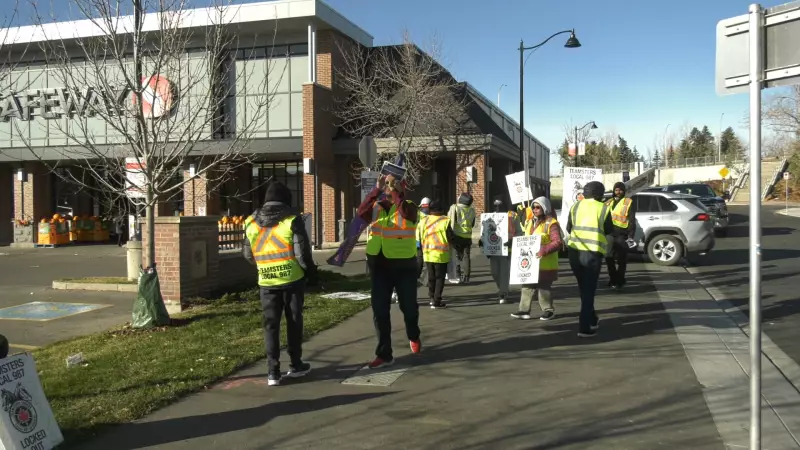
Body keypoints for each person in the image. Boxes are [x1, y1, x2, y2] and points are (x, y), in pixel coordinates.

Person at [243, 181, 318, 386]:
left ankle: (272, 372)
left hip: (266, 282)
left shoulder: (250, 222)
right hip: (292, 280)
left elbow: (248, 254)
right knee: (294, 322)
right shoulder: (292, 220)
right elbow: (302, 254)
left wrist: (265, 266)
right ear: (287, 200)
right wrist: (311, 273)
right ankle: (295, 365)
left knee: (271, 326)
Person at [357, 173, 422, 369]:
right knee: (380, 310)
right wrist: (375, 190)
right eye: (387, 184)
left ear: (401, 188)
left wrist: (397, 192)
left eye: (392, 185)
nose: (388, 187)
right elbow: (361, 213)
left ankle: (413, 334)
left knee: (409, 308)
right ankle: (384, 354)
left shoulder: (409, 205)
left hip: (404, 265)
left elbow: (405, 214)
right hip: (379, 265)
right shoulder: (376, 206)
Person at [566, 181, 613, 338]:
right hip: (591, 253)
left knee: (583, 288)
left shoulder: (575, 206)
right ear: (599, 194)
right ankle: (584, 327)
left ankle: (592, 318)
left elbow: (568, 228)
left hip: (574, 252)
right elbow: (609, 230)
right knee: (589, 290)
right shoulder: (603, 208)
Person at [511, 196, 562, 320]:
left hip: (546, 263)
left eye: (538, 207)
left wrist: (543, 250)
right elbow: (526, 239)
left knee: (544, 287)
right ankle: (524, 310)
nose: (534, 209)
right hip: (531, 263)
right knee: (527, 286)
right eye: (533, 207)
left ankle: (548, 311)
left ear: (545, 208)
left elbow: (558, 242)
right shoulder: (530, 222)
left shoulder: (551, 223)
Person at [479, 199, 520, 304]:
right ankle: (502, 287)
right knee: (494, 272)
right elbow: (484, 231)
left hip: (507, 249)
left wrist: (513, 241)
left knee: (504, 272)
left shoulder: (513, 216)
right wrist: (482, 241)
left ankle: (503, 293)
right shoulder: (489, 217)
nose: (497, 208)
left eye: (500, 206)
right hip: (494, 250)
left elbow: (519, 232)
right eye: (495, 206)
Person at [417, 200, 454, 309]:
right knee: (439, 278)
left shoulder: (424, 220)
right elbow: (451, 237)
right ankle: (437, 301)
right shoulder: (445, 221)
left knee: (431, 277)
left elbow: (418, 235)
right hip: (441, 254)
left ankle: (431, 298)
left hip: (427, 253)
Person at [605, 182, 637, 289]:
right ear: (614, 191)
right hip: (609, 234)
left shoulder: (628, 202)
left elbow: (632, 220)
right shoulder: (608, 202)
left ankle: (620, 279)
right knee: (608, 257)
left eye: (620, 190)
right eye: (616, 190)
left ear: (624, 191)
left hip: (621, 234)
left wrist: (631, 236)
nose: (618, 192)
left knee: (622, 259)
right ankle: (613, 279)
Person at [448, 193, 476, 283]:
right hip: (467, 236)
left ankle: (457, 275)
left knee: (456, 256)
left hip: (456, 235)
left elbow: (450, 220)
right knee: (466, 257)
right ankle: (467, 277)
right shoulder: (472, 210)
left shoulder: (455, 208)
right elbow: (473, 224)